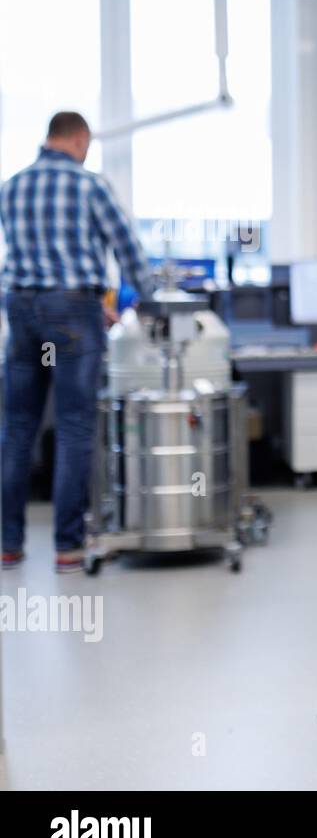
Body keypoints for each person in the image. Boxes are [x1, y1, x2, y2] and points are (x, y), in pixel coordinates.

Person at [0, 111, 154, 573]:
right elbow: (126, 245)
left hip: (22, 310)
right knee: (73, 427)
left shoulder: (12, 186)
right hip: (71, 313)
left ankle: (9, 544)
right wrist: (147, 297)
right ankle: (67, 546)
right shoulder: (90, 185)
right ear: (80, 139)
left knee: (17, 427)